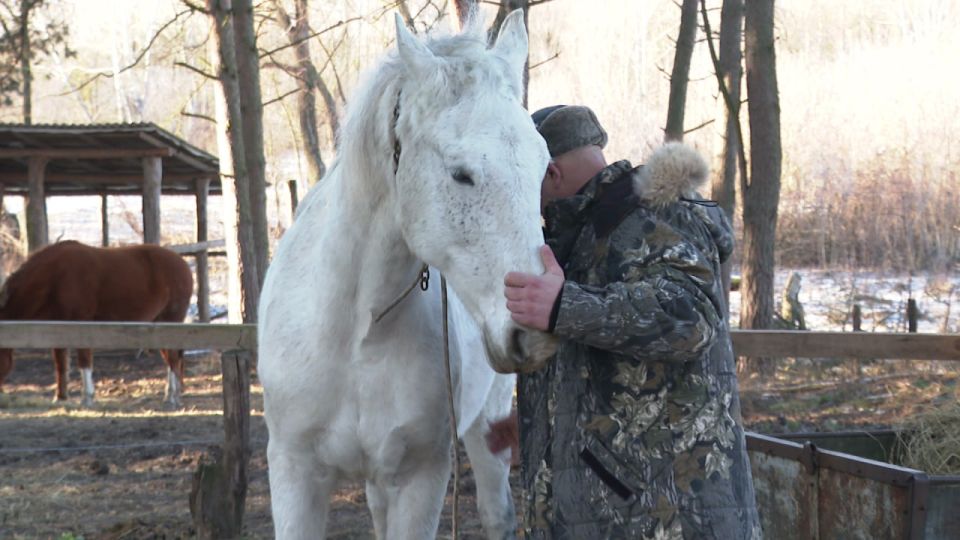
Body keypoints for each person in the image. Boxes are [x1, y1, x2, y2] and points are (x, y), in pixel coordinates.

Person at [494, 105, 761, 538]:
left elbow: (690, 319)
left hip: (669, 520)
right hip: (609, 515)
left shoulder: (655, 213)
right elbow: (601, 361)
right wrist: (539, 421)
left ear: (551, 173)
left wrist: (565, 306)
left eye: (524, 179)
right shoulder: (580, 235)